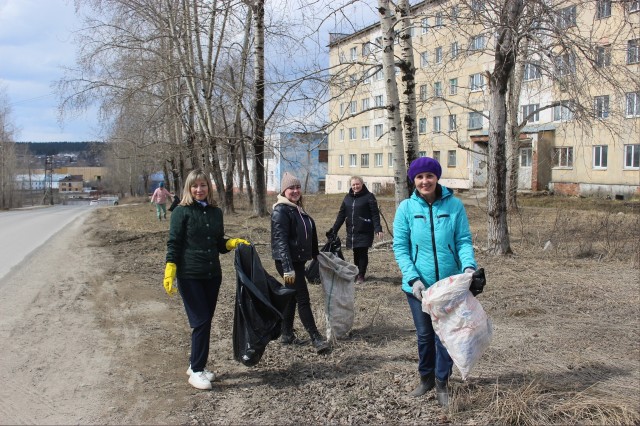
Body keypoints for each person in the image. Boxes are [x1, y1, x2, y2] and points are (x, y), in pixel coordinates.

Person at [392, 157, 483, 407]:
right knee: (424, 335)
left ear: (436, 178)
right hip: (418, 287)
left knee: (446, 336)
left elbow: (463, 239)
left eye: (429, 176)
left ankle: (443, 381)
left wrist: (468, 267)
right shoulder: (406, 209)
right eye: (420, 177)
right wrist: (413, 279)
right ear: (414, 180)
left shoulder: (454, 206)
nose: (425, 181)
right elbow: (400, 247)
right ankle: (426, 378)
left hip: (448, 286)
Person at [163, 169, 249, 390]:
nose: (199, 190)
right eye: (195, 186)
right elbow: (174, 243)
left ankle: (194, 365)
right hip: (190, 275)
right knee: (200, 321)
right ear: (188, 189)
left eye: (203, 185)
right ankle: (197, 371)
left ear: (208, 188)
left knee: (205, 322)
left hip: (212, 275)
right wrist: (170, 268)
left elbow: (218, 243)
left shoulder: (215, 212)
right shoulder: (180, 212)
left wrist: (232, 243)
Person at [271, 172, 330, 355]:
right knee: (303, 299)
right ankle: (316, 338)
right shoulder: (281, 210)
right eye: (291, 188)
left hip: (296, 261)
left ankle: (286, 334)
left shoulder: (296, 208)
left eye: (297, 187)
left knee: (291, 296)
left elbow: (308, 232)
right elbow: (281, 242)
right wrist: (288, 269)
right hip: (287, 263)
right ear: (284, 190)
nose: (295, 191)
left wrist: (315, 255)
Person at [327, 176, 383, 283]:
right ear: (351, 185)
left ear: (362, 184)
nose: (355, 186)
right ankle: (357, 272)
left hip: (365, 229)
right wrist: (334, 230)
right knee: (356, 252)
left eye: (357, 184)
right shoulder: (347, 198)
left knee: (362, 252)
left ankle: (361, 275)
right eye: (353, 185)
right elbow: (341, 215)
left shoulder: (369, 196)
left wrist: (378, 228)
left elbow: (375, 214)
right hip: (352, 230)